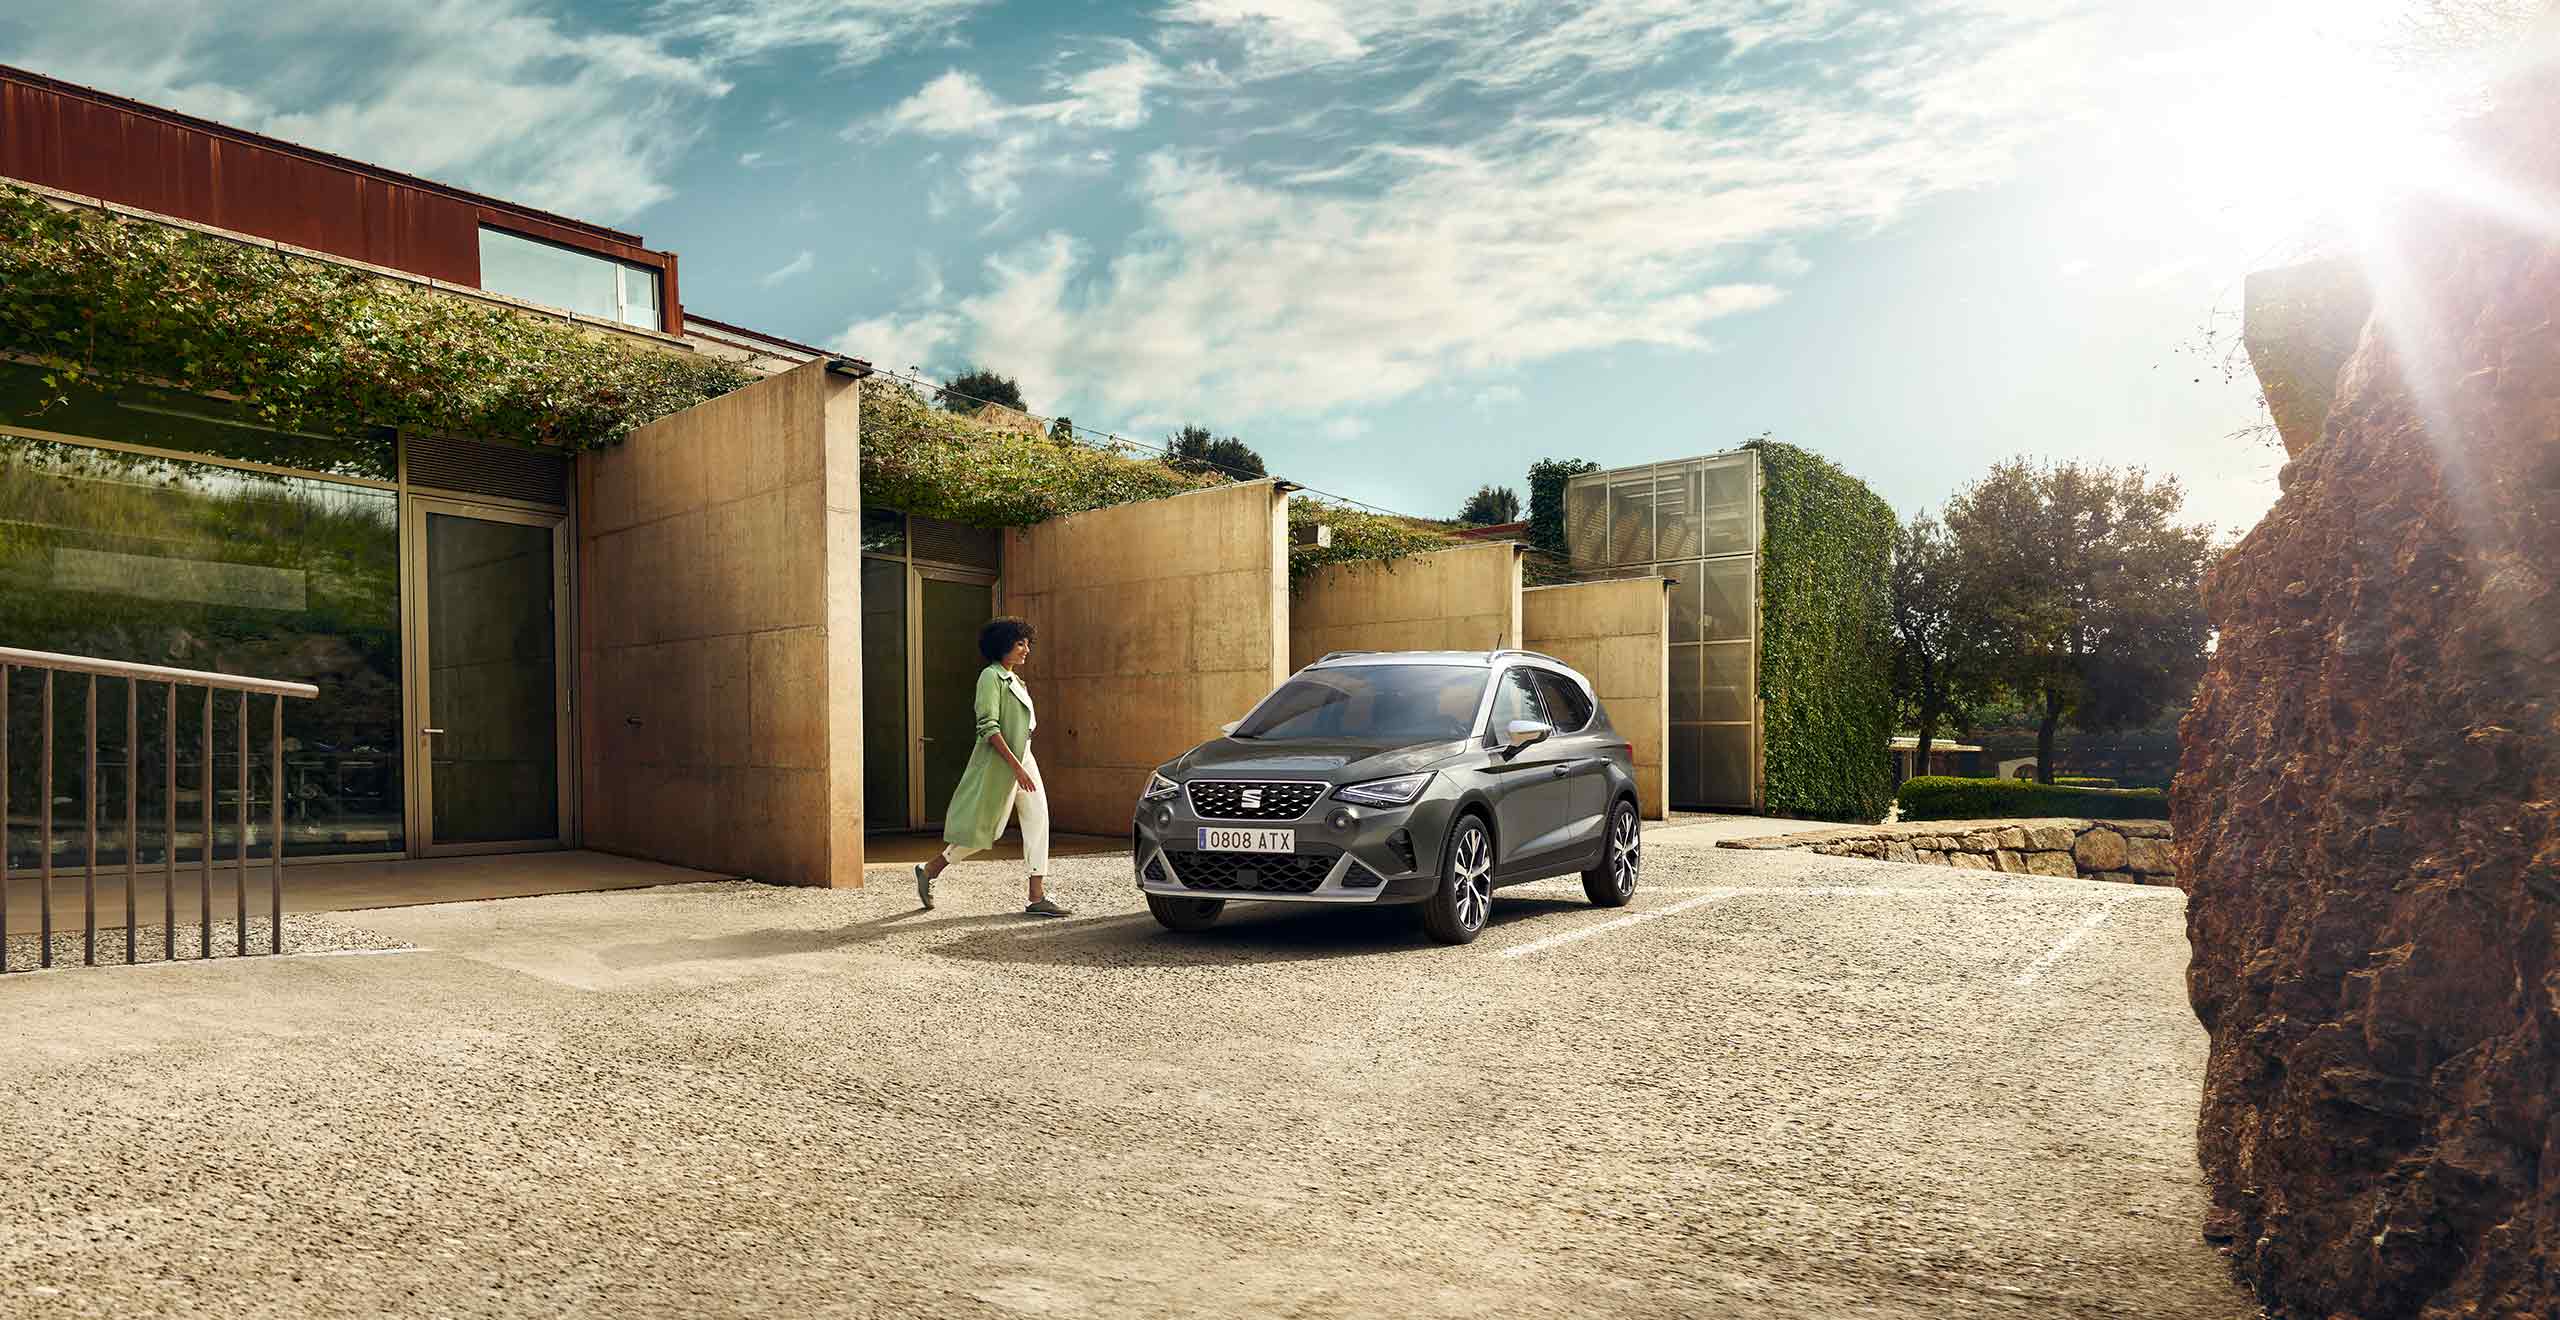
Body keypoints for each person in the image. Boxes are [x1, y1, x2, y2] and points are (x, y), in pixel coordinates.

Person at [913, 617, 1071, 917]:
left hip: (1025, 755)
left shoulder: (1014, 679)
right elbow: (988, 726)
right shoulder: (990, 677)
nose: (1026, 649)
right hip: (1003, 762)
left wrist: (1023, 763)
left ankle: (1036, 897)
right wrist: (1016, 767)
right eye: (1020, 643)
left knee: (1038, 820)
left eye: (1027, 643)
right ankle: (930, 869)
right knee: (985, 830)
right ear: (1003, 645)